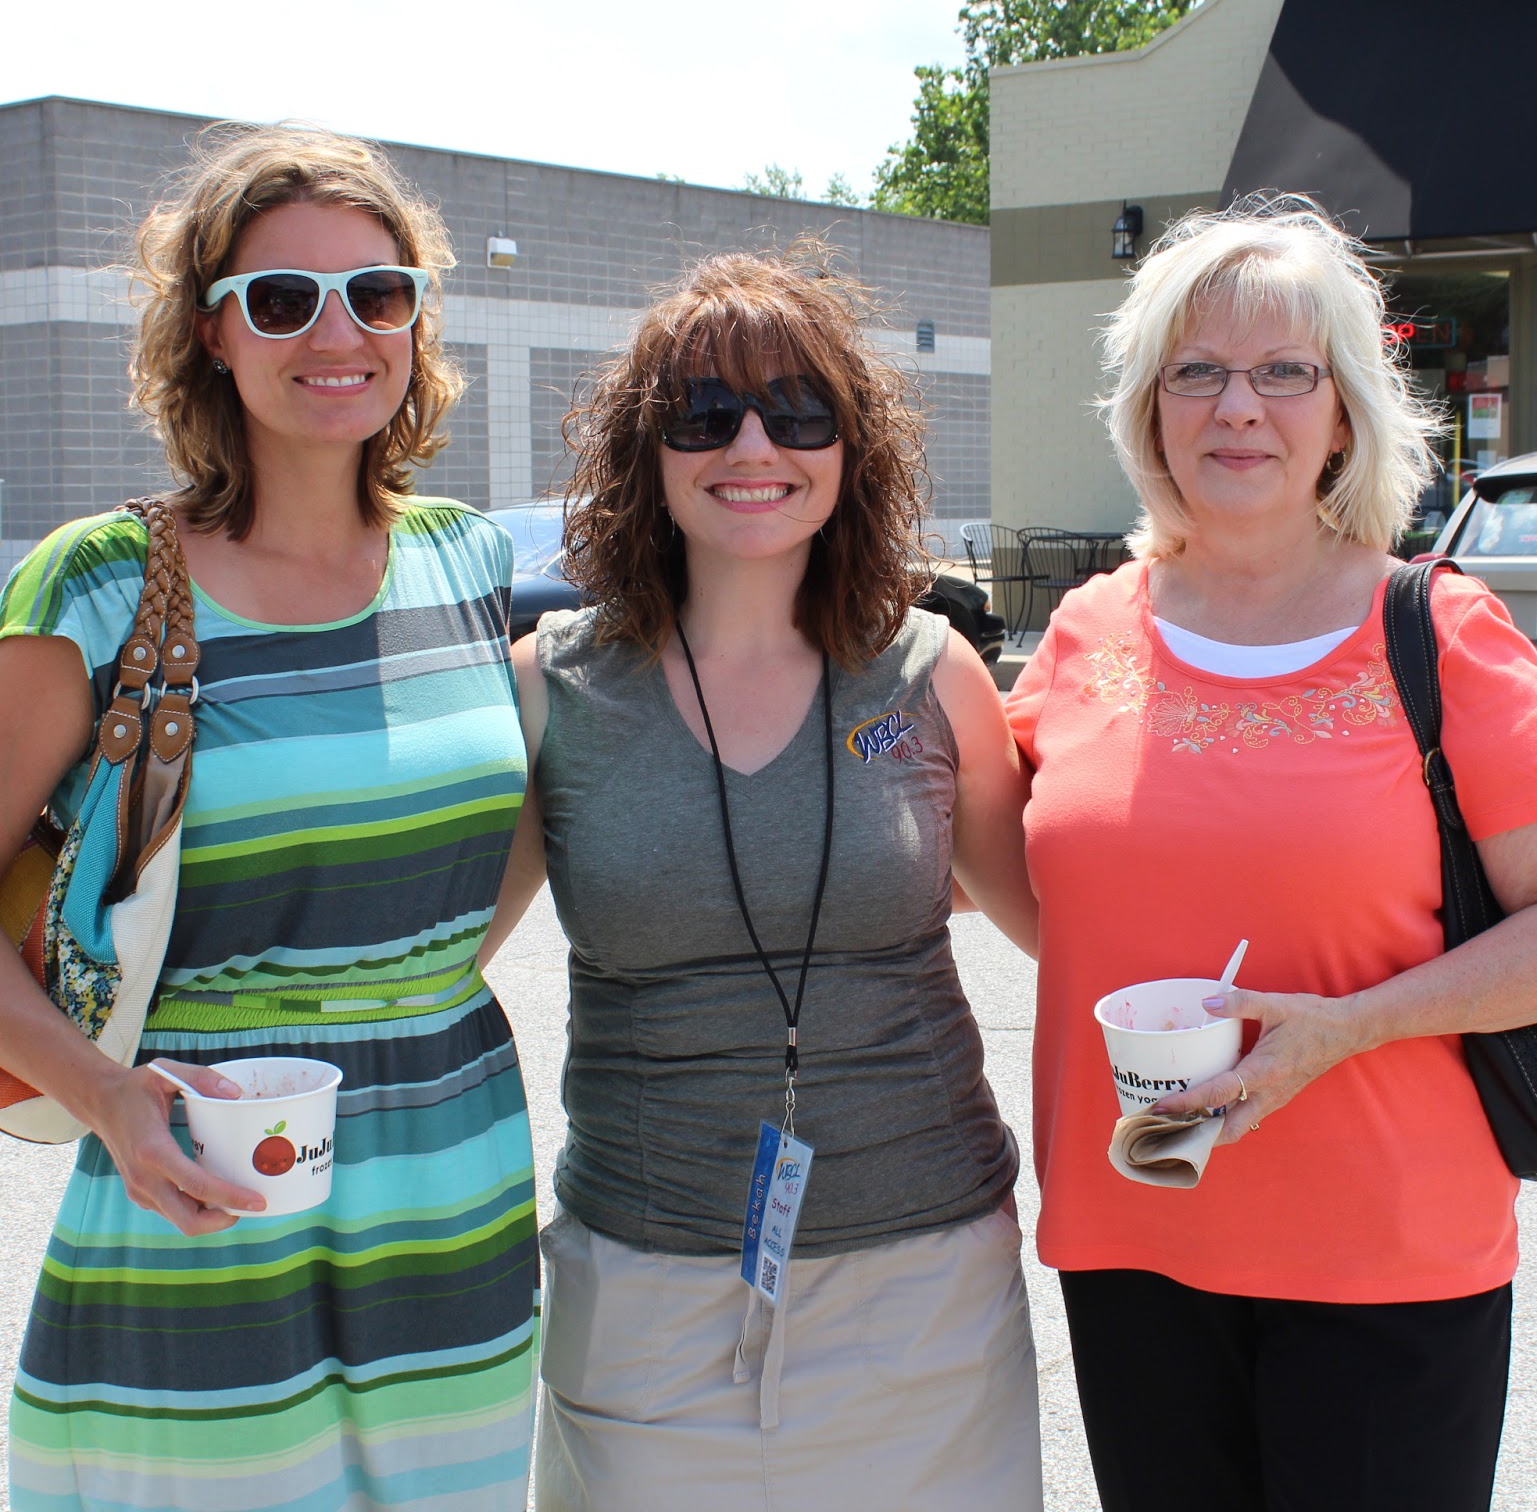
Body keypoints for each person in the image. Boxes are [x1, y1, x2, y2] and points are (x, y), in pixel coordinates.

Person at [1, 124, 538, 1510]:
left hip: (451, 1189)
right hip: (200, 1183)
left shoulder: (469, 560)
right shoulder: (101, 585)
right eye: (283, 298)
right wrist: (106, 1097)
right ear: (211, 332)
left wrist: (400, 991)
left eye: (377, 293)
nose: (337, 332)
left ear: (415, 321)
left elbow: (510, 831)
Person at [486, 246, 1044, 1510]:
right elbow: (428, 967)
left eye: (797, 409)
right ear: (645, 448)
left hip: (929, 1287)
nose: (752, 444)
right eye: (704, 411)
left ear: (852, 447)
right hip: (646, 1292)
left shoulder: (932, 672)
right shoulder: (550, 686)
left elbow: (1071, 928)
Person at [1005, 196, 1537, 1512]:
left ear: (1342, 411)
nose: (1236, 407)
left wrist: (1347, 1026)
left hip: (1388, 1265)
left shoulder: (1441, 633)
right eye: (1196, 371)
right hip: (1133, 1238)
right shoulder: (1083, 631)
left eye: (1283, 371)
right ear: (1152, 412)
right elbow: (1018, 874)